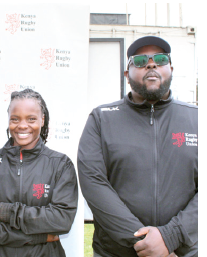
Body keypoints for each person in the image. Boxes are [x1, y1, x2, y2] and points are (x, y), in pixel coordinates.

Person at [77, 36, 197, 257]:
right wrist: (146, 243)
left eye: (160, 59)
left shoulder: (198, 120)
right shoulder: (101, 119)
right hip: (116, 251)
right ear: (127, 74)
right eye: (140, 61)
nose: (151, 64)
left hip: (182, 251)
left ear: (171, 68)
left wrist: (171, 237)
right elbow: (93, 184)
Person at [0, 89, 78, 257]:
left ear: (42, 120)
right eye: (15, 119)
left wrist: (6, 211)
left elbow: (61, 220)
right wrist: (39, 236)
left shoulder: (61, 165)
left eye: (31, 119)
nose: (22, 125)